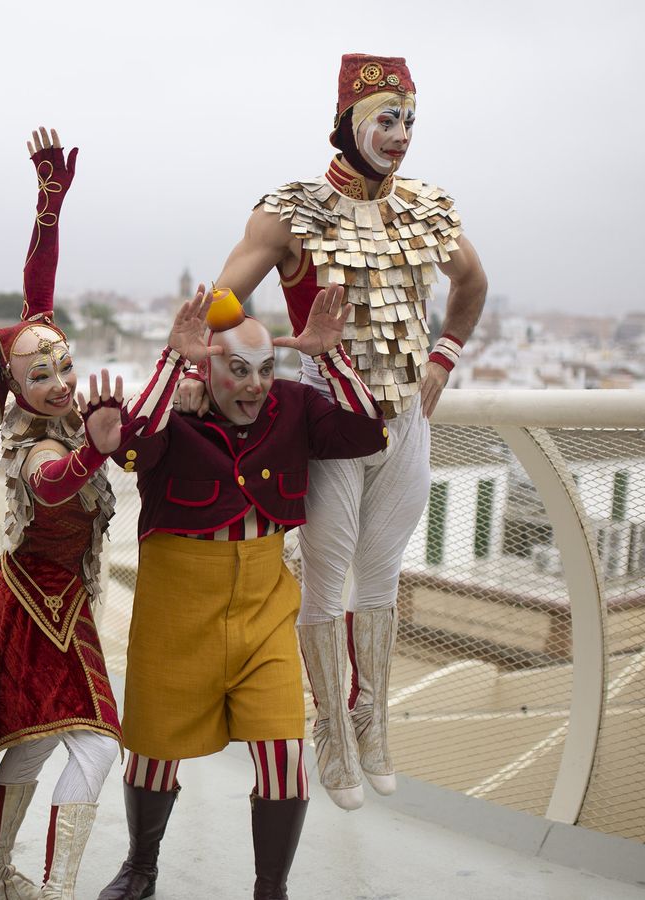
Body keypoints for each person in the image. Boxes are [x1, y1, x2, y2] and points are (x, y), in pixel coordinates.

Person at [181, 53, 488, 811]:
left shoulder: (428, 208)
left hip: (406, 419)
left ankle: (371, 720)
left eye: (411, 120)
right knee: (325, 578)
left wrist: (444, 360)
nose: (402, 135)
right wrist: (261, 359)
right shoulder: (291, 211)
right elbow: (223, 301)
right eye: (389, 118)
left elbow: (473, 284)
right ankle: (331, 731)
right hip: (324, 416)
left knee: (381, 578)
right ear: (351, 120)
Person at [100, 287, 387, 900]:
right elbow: (127, 445)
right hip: (177, 612)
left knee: (285, 757)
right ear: (209, 368)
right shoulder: (172, 411)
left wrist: (328, 358)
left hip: (263, 610)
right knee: (153, 751)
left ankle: (270, 890)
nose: (255, 386)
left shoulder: (295, 408)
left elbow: (367, 431)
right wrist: (173, 361)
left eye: (265, 370)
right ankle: (141, 868)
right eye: (238, 370)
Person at [0, 128, 134, 900]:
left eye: (64, 362)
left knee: (28, 751)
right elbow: (55, 485)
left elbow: (38, 291)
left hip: (49, 602)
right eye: (42, 373)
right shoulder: (30, 439)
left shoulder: (52, 399)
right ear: (18, 388)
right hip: (34, 605)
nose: (61, 379)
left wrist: (49, 208)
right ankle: (53, 891)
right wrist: (94, 449)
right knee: (94, 746)